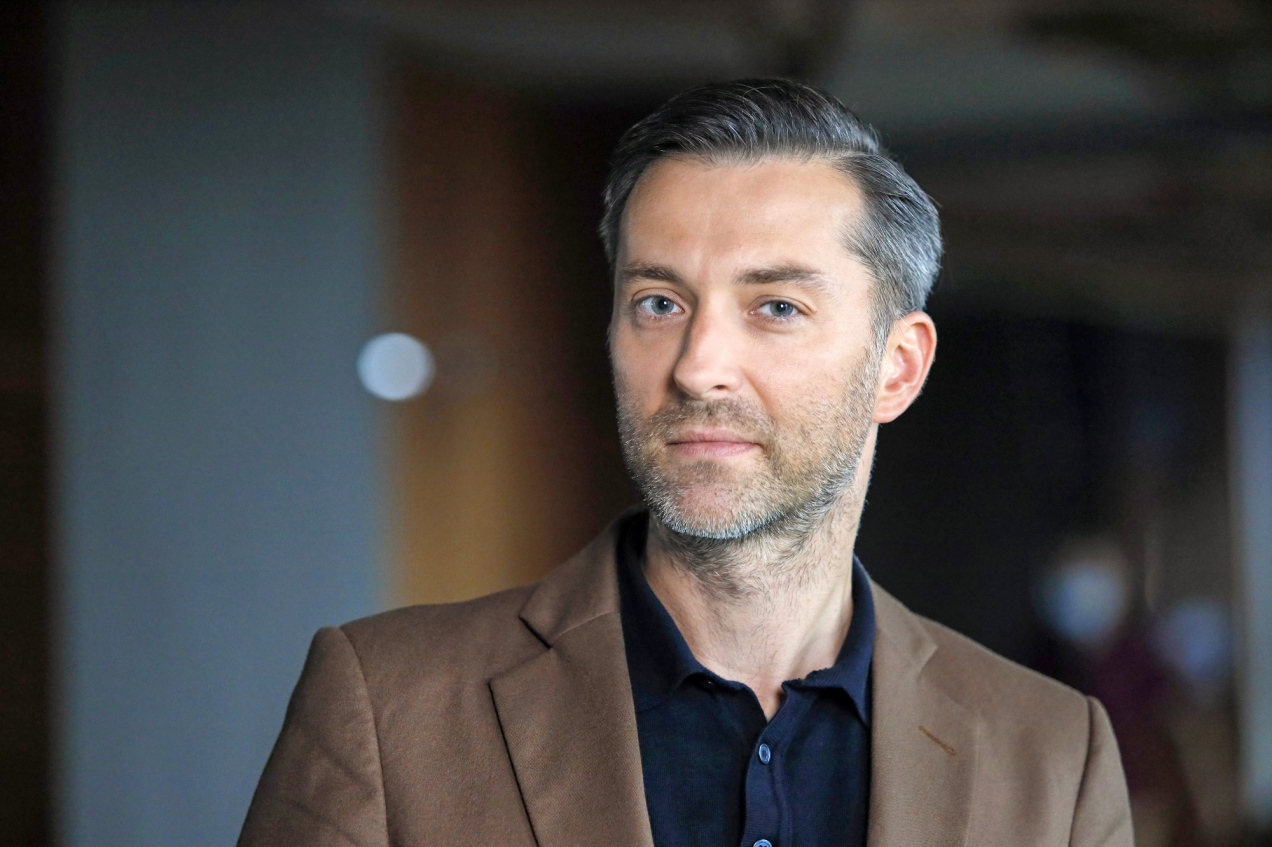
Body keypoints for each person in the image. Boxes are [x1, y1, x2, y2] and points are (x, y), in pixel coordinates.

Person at [238, 79, 1132, 847]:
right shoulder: (388, 708)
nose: (698, 366)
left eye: (775, 307)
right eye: (659, 302)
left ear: (897, 368)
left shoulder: (1054, 755)